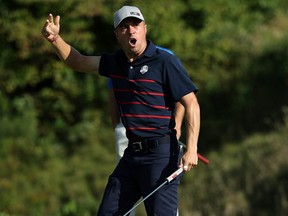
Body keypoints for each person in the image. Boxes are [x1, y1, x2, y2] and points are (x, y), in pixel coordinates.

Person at [41, 5, 200, 216]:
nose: (131, 30)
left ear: (145, 28)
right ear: (117, 34)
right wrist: (55, 39)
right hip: (132, 155)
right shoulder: (115, 62)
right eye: (124, 27)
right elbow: (77, 61)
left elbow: (191, 103)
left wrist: (191, 148)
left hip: (161, 155)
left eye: (135, 25)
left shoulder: (164, 60)